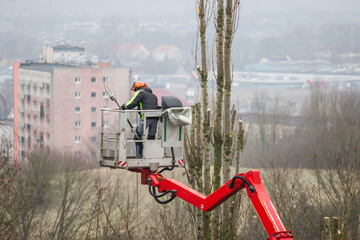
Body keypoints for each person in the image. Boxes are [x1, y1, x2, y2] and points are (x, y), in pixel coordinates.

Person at [121, 81, 159, 158]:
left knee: (137, 136)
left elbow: (132, 103)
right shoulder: (153, 96)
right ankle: (151, 155)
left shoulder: (140, 93)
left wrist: (124, 106)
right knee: (151, 137)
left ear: (137, 88)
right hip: (155, 117)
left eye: (134, 90)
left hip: (146, 118)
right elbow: (142, 105)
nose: (134, 91)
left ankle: (139, 156)